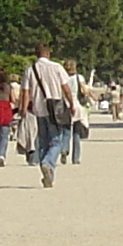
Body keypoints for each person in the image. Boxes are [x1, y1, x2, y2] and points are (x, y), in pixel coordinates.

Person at [21, 42, 78, 187]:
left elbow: (26, 92)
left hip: (39, 109)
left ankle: (48, 174)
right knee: (57, 141)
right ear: (47, 53)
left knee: (43, 142)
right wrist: (71, 104)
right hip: (55, 108)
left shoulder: (30, 70)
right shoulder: (56, 67)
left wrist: (23, 108)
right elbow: (65, 88)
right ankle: (48, 163)